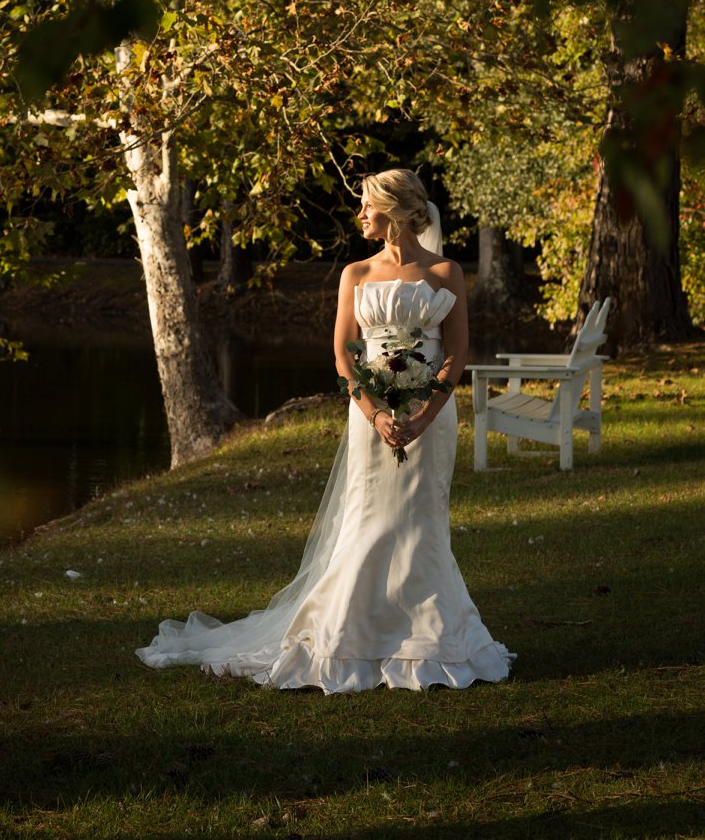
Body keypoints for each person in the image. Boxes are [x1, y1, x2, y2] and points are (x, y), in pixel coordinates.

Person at [136, 167, 513, 693]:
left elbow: (457, 353)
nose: (360, 214)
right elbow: (342, 355)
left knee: (422, 523)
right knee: (369, 520)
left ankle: (431, 636)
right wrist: (378, 413)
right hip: (371, 415)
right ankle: (349, 634)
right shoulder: (356, 274)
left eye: (367, 205)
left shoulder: (446, 272)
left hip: (433, 417)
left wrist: (424, 415)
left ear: (397, 210)